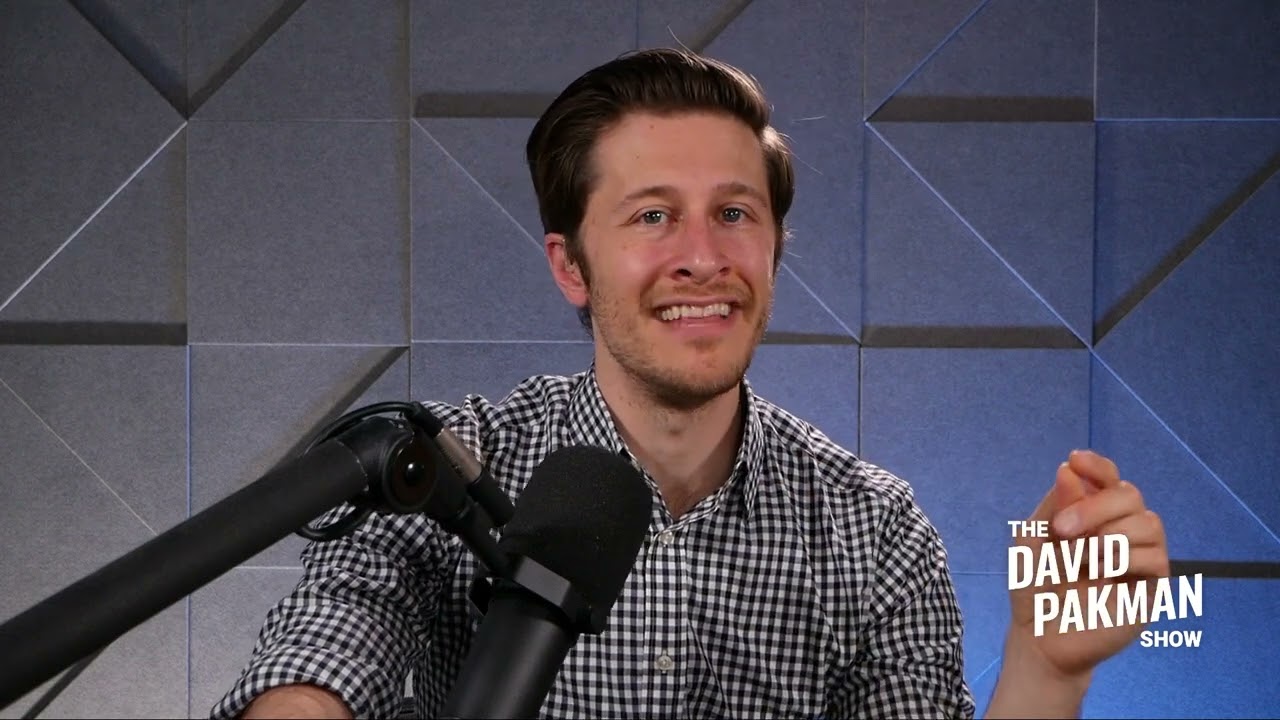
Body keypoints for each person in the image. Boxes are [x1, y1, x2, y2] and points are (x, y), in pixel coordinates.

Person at [212, 47, 1170, 719]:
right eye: (653, 217)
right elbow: (326, 650)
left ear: (775, 245)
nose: (704, 257)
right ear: (570, 265)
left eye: (735, 213)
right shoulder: (441, 470)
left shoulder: (875, 531)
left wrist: (1046, 670)